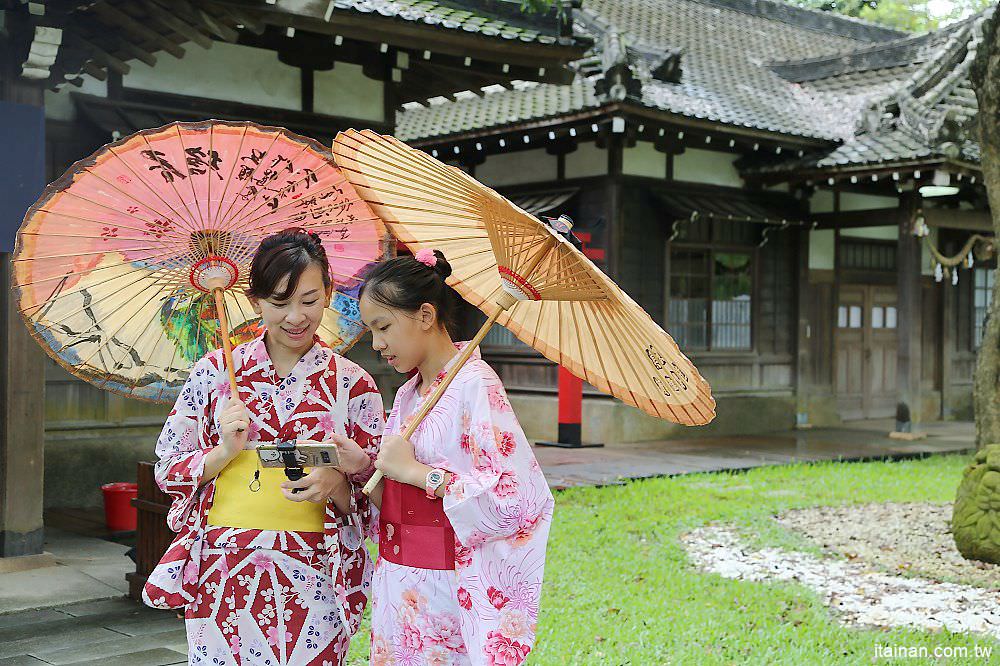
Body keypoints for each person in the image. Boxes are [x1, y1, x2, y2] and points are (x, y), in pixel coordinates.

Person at [142, 229, 384, 665]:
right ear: (255, 301)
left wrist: (339, 484)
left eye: (309, 300)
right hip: (225, 569)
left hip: (316, 573)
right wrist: (222, 453)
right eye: (279, 302)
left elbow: (377, 496)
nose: (296, 316)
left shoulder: (353, 385)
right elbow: (168, 469)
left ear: (329, 293)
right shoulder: (216, 373)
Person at [346, 248, 554, 665]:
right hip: (399, 583)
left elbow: (518, 501)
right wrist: (365, 469)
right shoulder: (408, 395)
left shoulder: (475, 383)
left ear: (425, 316)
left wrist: (422, 475)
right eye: (371, 330)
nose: (377, 343)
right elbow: (392, 500)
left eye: (383, 327)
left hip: (449, 586)